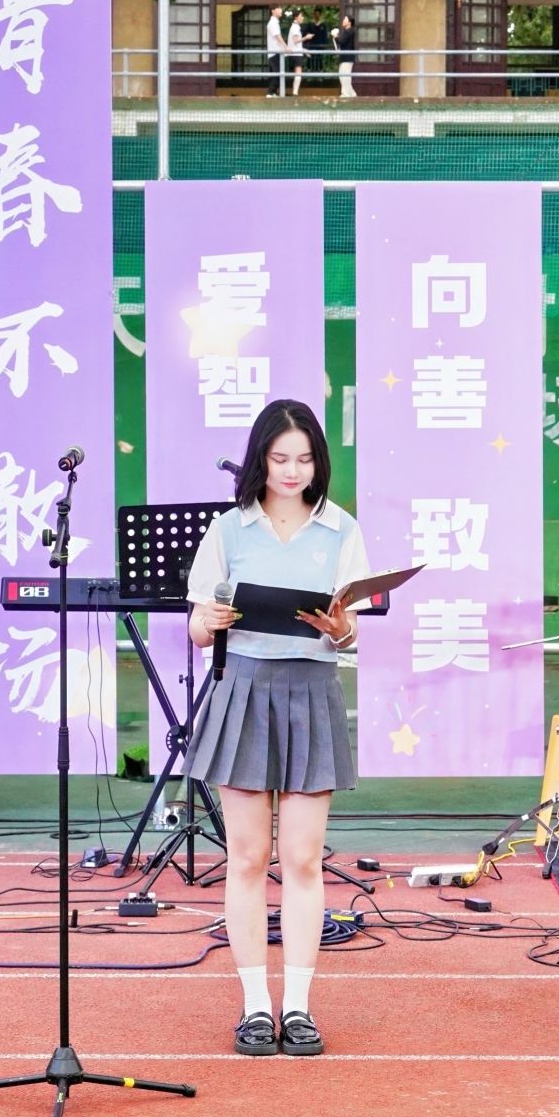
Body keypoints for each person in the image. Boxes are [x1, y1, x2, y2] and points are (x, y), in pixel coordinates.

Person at [185, 399, 368, 1058]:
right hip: (243, 689)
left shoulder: (340, 528)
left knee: (302, 858)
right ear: (260, 460)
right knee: (245, 857)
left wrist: (338, 627)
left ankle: (299, 1004)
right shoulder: (229, 528)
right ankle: (255, 1005)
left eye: (305, 459)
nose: (293, 471)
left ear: (319, 463)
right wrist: (209, 621)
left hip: (311, 690)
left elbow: (349, 629)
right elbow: (196, 627)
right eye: (281, 458)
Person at [265, 6, 289, 98]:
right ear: (273, 11)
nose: (280, 10)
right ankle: (270, 92)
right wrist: (286, 47)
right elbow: (277, 36)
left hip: (275, 51)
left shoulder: (274, 22)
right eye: (278, 9)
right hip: (275, 51)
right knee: (277, 72)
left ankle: (273, 92)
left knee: (276, 73)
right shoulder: (273, 23)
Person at [334, 14, 358, 98]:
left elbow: (342, 41)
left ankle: (346, 93)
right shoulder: (348, 31)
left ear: (349, 22)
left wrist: (336, 37)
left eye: (345, 19)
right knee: (343, 75)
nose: (343, 21)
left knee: (344, 75)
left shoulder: (349, 31)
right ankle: (351, 93)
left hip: (347, 57)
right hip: (346, 57)